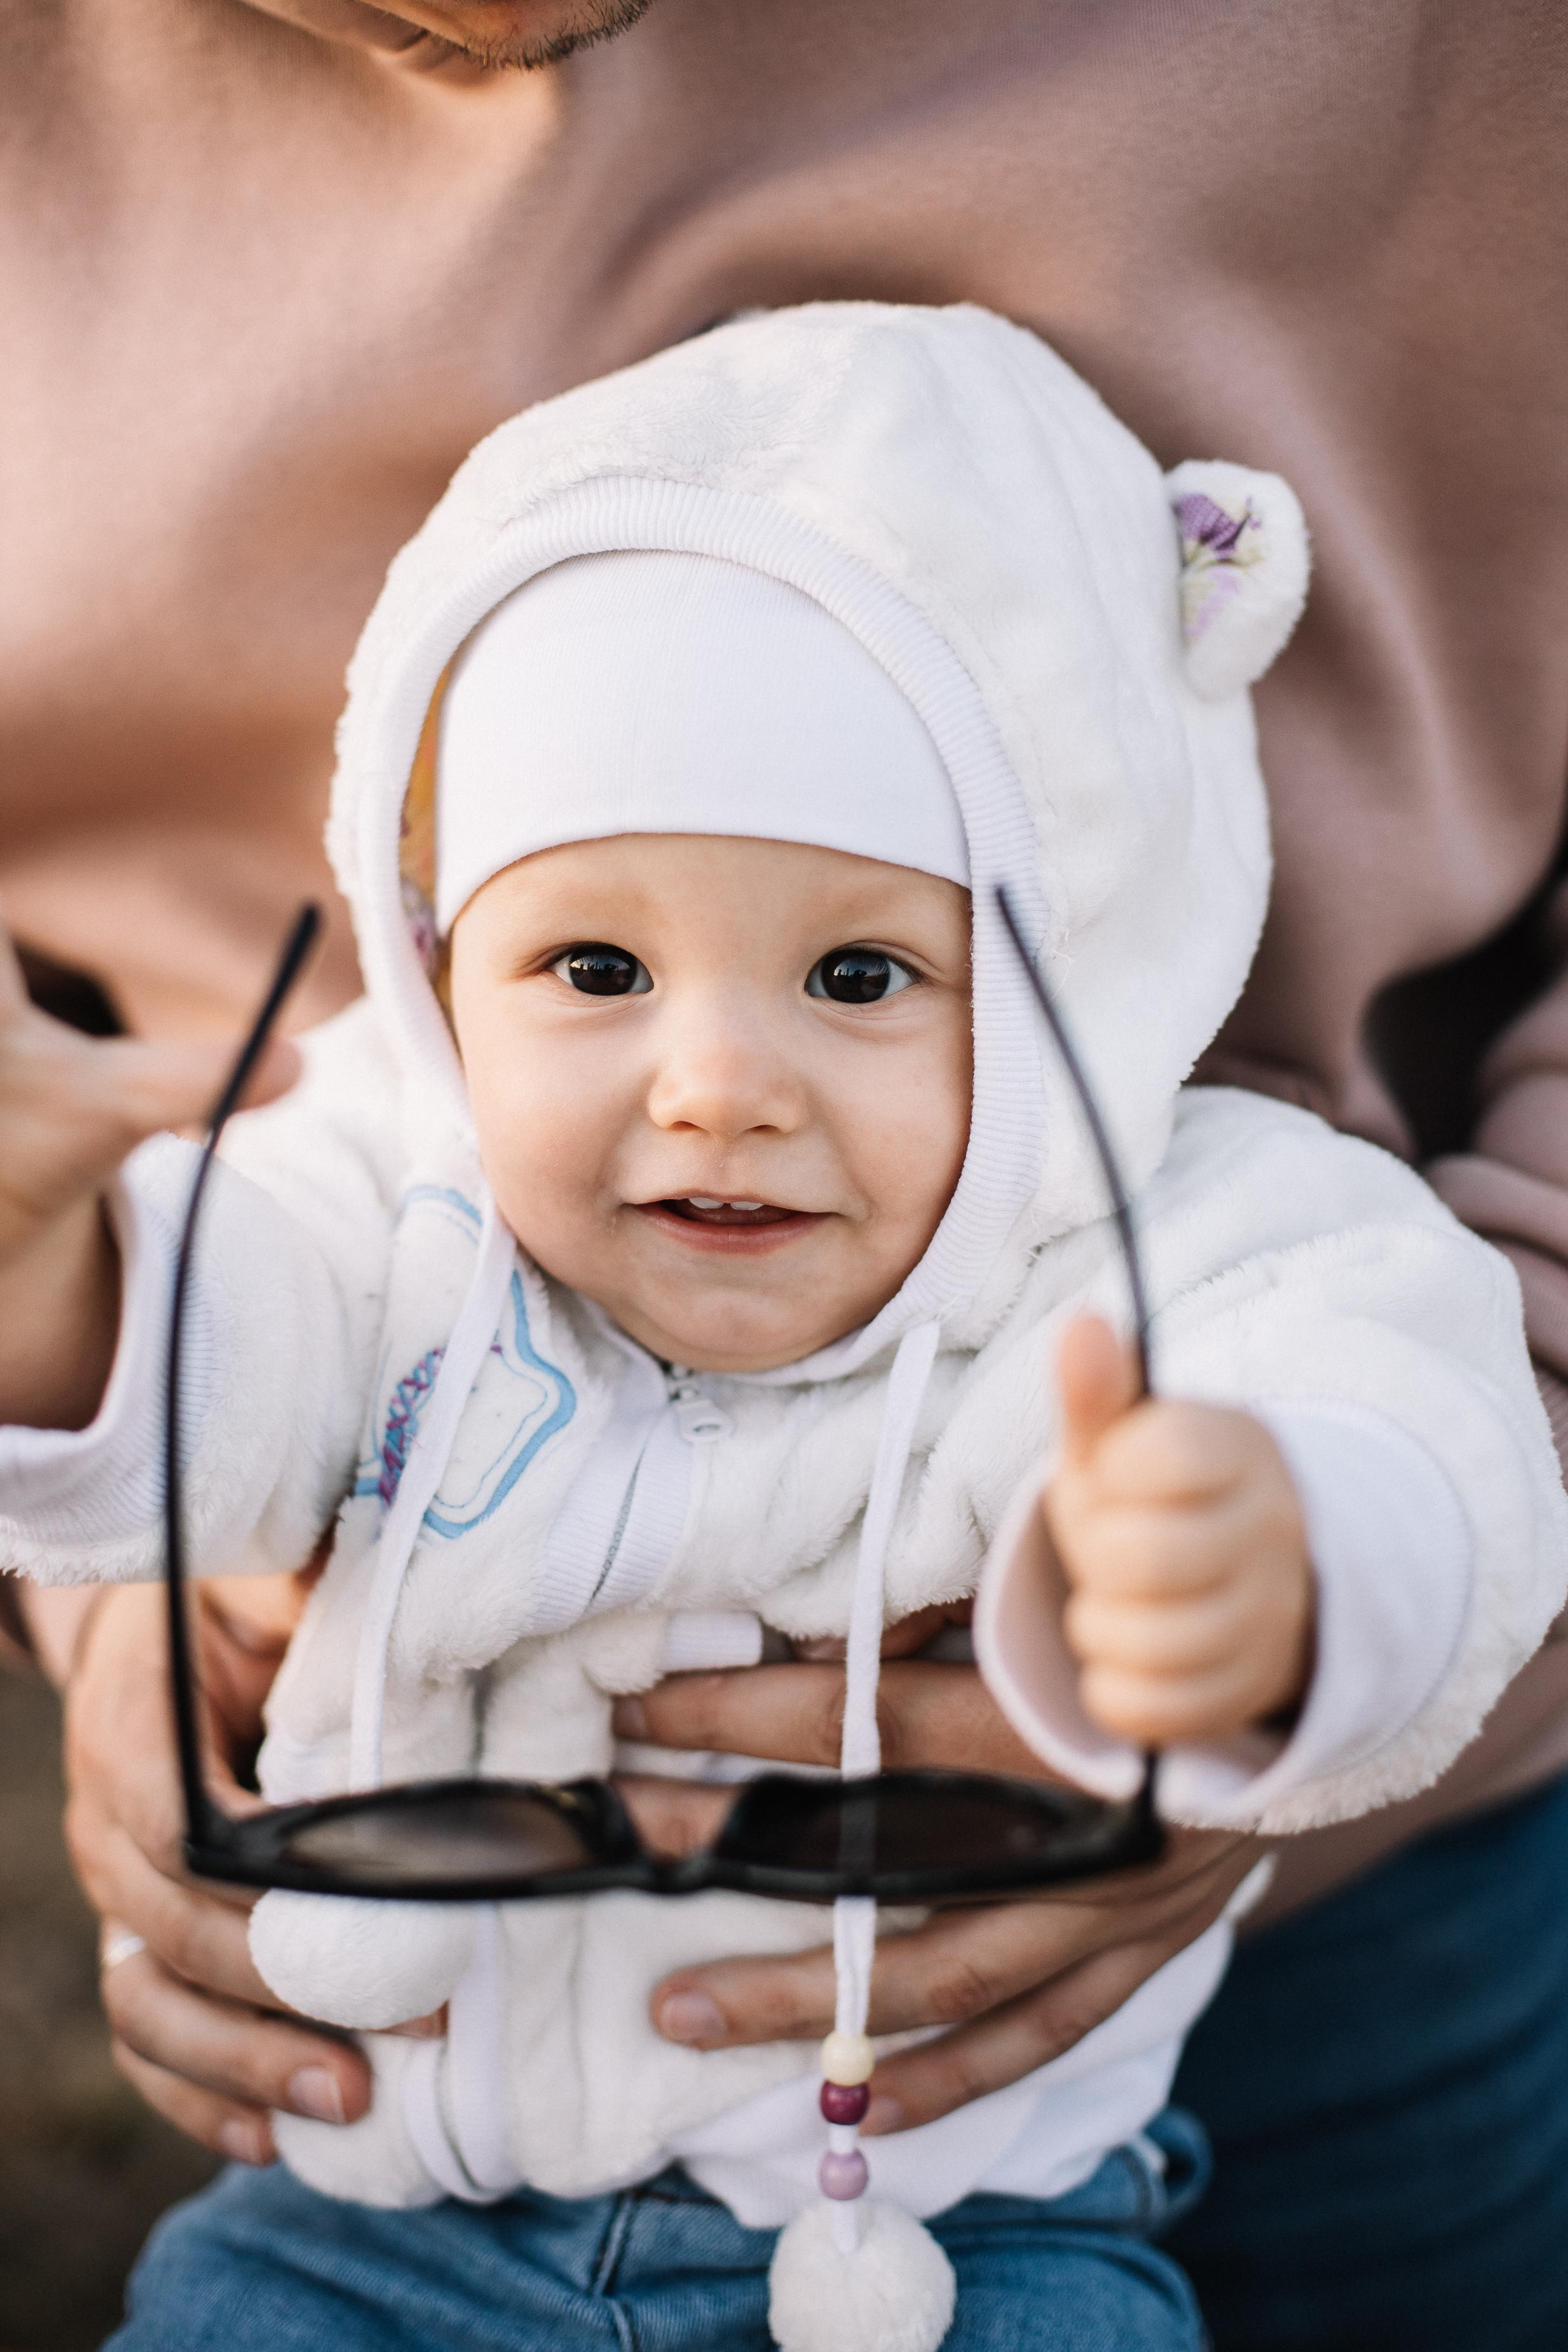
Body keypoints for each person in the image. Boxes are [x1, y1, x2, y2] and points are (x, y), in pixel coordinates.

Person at [4, 8, 1567, 2347]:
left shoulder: (1174, 1232)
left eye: (856, 972)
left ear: (1064, 970)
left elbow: (1393, 1416)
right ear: (443, 963)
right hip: (362, 2225)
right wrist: (41, 1277)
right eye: (596, 965)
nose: (714, 1087)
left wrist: (1267, 1578)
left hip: (992, 2244)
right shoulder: (388, 1182)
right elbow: (196, 1346)